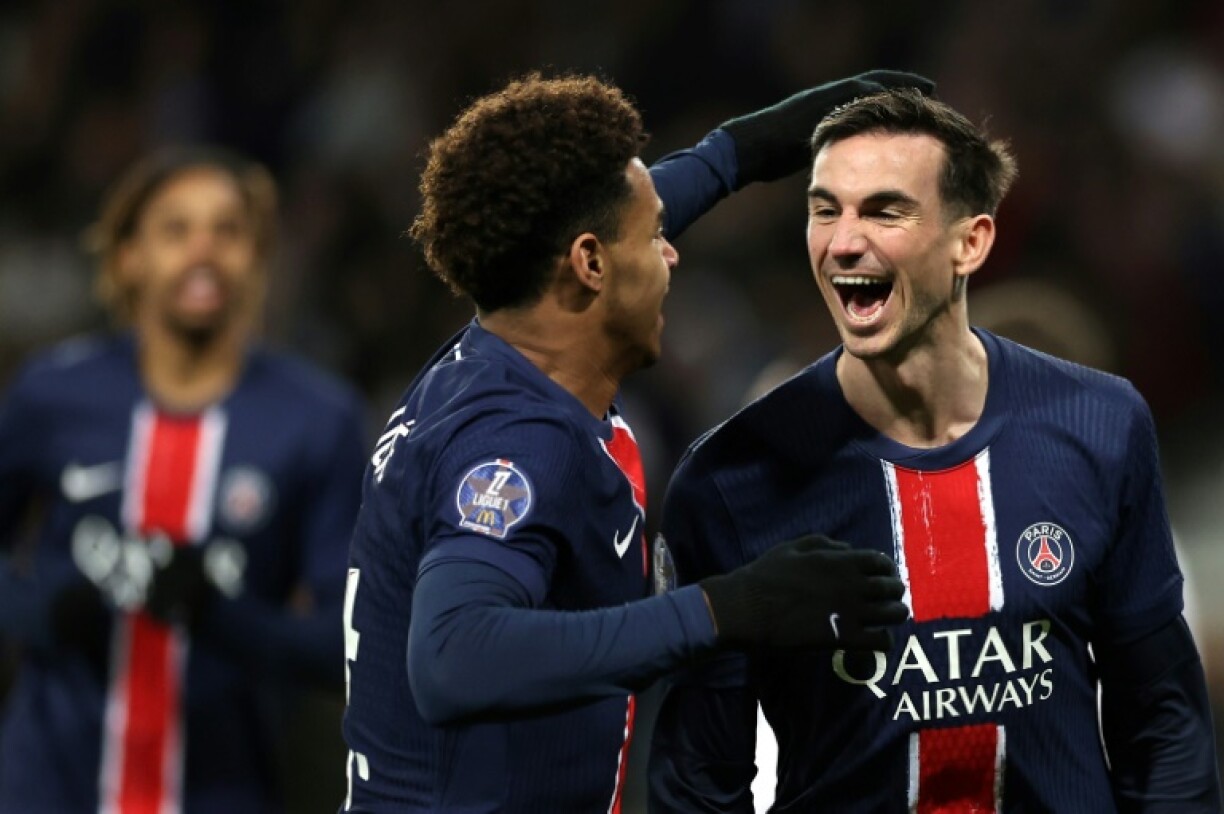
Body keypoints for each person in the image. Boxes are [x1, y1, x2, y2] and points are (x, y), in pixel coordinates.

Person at [339, 70, 937, 813]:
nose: (672, 253)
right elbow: (453, 658)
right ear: (590, 264)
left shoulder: (500, 344)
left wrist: (740, 152)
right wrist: (730, 609)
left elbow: (604, 220)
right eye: (656, 237)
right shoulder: (519, 443)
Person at [647, 87, 1223, 812]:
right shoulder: (732, 480)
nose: (843, 241)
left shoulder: (1099, 424)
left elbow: (1164, 725)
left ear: (970, 242)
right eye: (825, 210)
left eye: (885, 211)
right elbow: (698, 784)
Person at [0, 146, 369, 813]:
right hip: (46, 788)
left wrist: (221, 616)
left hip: (223, 791)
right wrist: (42, 609)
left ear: (257, 257)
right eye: (176, 229)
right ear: (128, 256)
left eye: (227, 231)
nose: (204, 251)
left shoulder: (319, 420)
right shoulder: (51, 394)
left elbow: (349, 645)